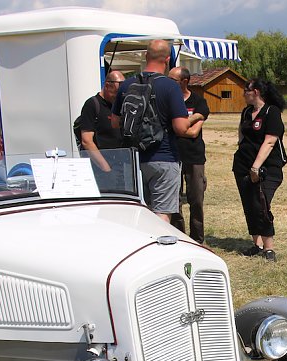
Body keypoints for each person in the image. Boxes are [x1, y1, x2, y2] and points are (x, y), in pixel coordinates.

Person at [111, 40, 189, 222]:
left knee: (139, 213)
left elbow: (115, 122)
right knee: (162, 214)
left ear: (146, 56)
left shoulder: (126, 85)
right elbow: (180, 127)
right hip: (164, 157)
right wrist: (195, 118)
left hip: (133, 159)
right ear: (168, 59)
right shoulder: (170, 87)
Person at [232, 78, 287, 262]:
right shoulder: (247, 112)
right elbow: (241, 134)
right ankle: (257, 244)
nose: (243, 94)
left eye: (245, 91)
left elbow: (270, 141)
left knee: (261, 204)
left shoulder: (272, 112)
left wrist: (256, 167)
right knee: (249, 205)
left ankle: (269, 247)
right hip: (243, 166)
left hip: (267, 169)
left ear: (255, 92)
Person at [168, 67, 210, 244]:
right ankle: (180, 237)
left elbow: (193, 133)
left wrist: (177, 126)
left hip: (194, 156)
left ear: (184, 81)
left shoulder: (199, 101)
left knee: (196, 199)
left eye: (173, 81)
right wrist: (190, 120)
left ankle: (197, 239)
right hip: (172, 156)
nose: (168, 84)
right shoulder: (168, 101)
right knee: (174, 200)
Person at [78, 70, 126, 189]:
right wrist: (105, 168)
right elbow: (87, 141)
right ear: (107, 85)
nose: (119, 95)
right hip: (102, 169)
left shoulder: (119, 105)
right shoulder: (92, 104)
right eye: (117, 91)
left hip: (121, 167)